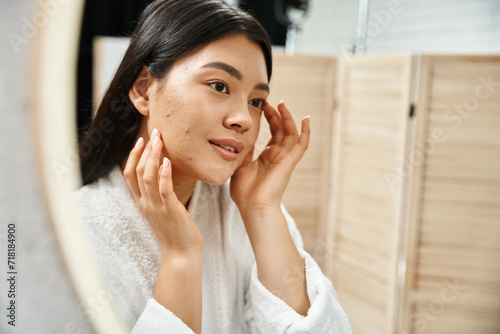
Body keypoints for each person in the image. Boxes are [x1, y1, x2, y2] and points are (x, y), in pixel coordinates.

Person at [76, 0, 351, 333]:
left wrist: (262, 209)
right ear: (143, 89)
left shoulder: (245, 213)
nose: (244, 120)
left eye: (255, 101)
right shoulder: (74, 230)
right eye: (219, 86)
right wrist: (181, 255)